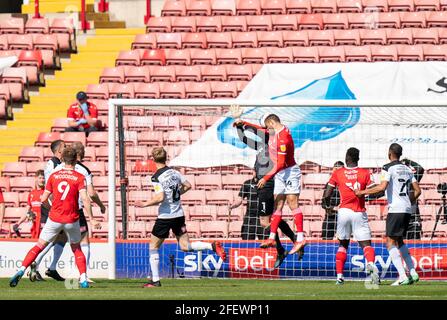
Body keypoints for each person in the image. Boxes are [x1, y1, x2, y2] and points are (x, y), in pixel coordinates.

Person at [135, 147, 227, 288]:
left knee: (153, 246)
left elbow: (160, 197)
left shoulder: (156, 177)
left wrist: (144, 204)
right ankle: (212, 246)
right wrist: (175, 196)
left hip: (165, 217)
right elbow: (188, 186)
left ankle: (155, 280)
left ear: (153, 159)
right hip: (179, 214)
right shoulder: (175, 172)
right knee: (185, 246)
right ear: (165, 157)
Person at [9, 147, 98, 288]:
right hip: (72, 219)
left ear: (62, 159)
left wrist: (52, 209)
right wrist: (92, 219)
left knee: (39, 246)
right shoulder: (79, 177)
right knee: (76, 249)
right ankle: (83, 279)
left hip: (55, 218)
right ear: (75, 160)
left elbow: (43, 198)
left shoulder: (53, 176)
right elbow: (85, 199)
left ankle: (20, 269)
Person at [29, 142, 104, 284]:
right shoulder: (82, 170)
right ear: (80, 155)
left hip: (56, 208)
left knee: (58, 240)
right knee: (82, 241)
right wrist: (100, 207)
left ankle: (46, 266)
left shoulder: (57, 167)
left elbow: (50, 188)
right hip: (74, 210)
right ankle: (83, 275)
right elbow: (91, 194)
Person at [234, 114, 305, 255]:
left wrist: (266, 178)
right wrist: (242, 123)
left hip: (280, 174)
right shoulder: (270, 135)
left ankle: (297, 239)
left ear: (271, 123)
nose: (266, 129)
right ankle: (273, 238)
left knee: (290, 204)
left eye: (267, 126)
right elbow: (255, 132)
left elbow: (280, 163)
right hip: (276, 175)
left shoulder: (282, 138)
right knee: (277, 208)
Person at [355, 143, 421, 286]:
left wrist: (362, 192)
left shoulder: (387, 167)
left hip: (395, 209)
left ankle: (403, 276)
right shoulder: (408, 169)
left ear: (390, 153)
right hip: (407, 209)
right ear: (400, 154)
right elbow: (418, 191)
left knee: (390, 242)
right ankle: (413, 272)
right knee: (399, 241)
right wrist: (407, 202)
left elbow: (382, 187)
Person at [322, 148, 380, 285]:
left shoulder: (338, 172)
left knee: (343, 244)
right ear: (358, 159)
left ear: (346, 158)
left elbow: (327, 194)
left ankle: (340, 277)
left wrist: (328, 207)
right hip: (359, 212)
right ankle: (371, 269)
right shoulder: (365, 173)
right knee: (366, 245)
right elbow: (375, 192)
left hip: (343, 212)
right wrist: (364, 193)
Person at [30, 139, 68, 282]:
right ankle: (36, 263)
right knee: (51, 239)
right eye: (65, 146)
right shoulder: (53, 164)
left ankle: (51, 268)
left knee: (62, 238)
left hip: (57, 206)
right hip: (53, 206)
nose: (67, 148)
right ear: (59, 150)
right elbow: (51, 186)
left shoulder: (58, 163)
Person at [229, 171, 269, 241]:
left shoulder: (268, 184)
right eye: (254, 170)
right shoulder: (247, 184)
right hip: (250, 218)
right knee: (246, 243)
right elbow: (239, 199)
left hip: (263, 218)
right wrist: (232, 206)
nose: (256, 172)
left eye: (258, 170)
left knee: (265, 243)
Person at [13, 170, 45, 241]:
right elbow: (27, 212)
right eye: (40, 178)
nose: (42, 180)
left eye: (43, 178)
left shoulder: (47, 193)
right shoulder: (31, 194)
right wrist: (18, 223)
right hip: (34, 227)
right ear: (36, 178)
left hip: (44, 227)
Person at [321, 161, 344, 240]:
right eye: (335, 169)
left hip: (344, 217)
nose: (337, 171)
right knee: (326, 242)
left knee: (344, 242)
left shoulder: (347, 184)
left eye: (339, 169)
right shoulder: (329, 184)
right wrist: (331, 208)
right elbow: (323, 203)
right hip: (331, 217)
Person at [402, 158, 424, 240]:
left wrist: (408, 161)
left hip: (413, 218)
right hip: (400, 217)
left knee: (415, 247)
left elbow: (420, 169)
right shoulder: (393, 180)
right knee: (400, 247)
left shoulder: (412, 179)